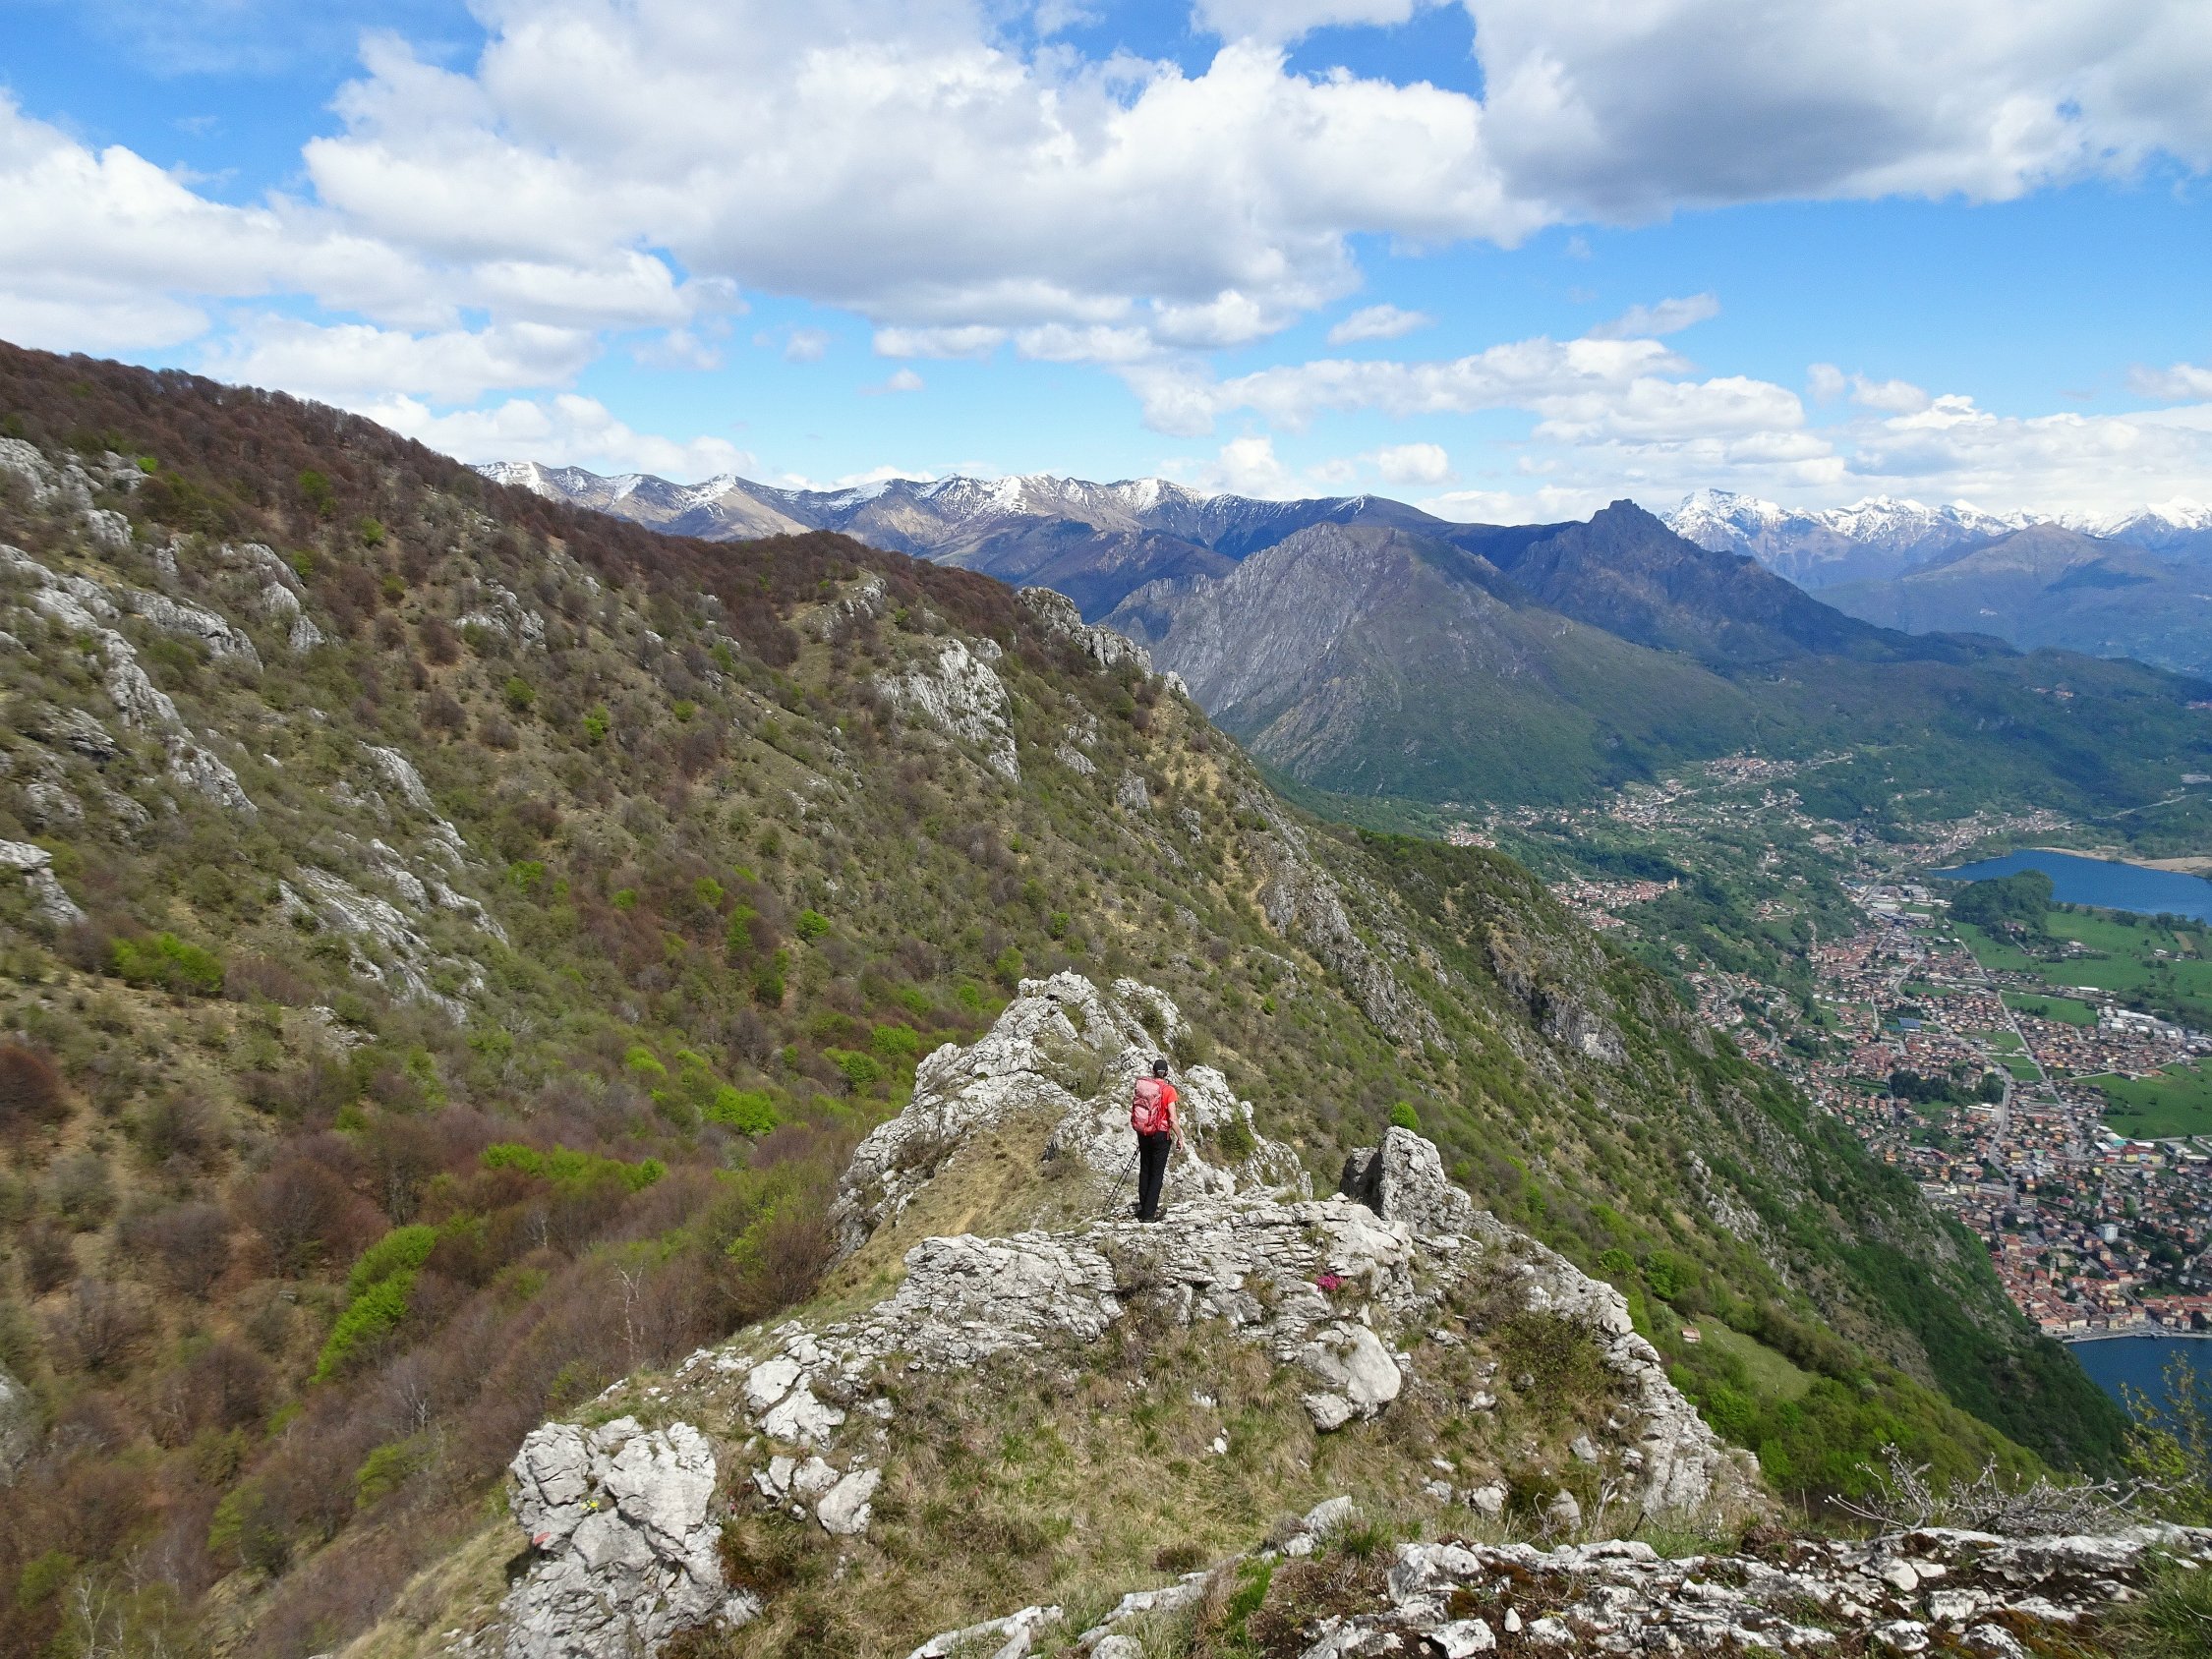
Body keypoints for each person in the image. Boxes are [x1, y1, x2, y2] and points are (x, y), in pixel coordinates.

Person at [1130, 1058, 1182, 1222]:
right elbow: (1172, 1118)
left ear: (1153, 1071)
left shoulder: (1146, 1088)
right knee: (1156, 1174)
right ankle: (1149, 1214)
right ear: (1166, 1073)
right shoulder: (1169, 1090)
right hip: (1160, 1135)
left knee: (1145, 1169)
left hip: (1144, 1132)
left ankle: (1143, 1207)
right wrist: (1180, 1138)